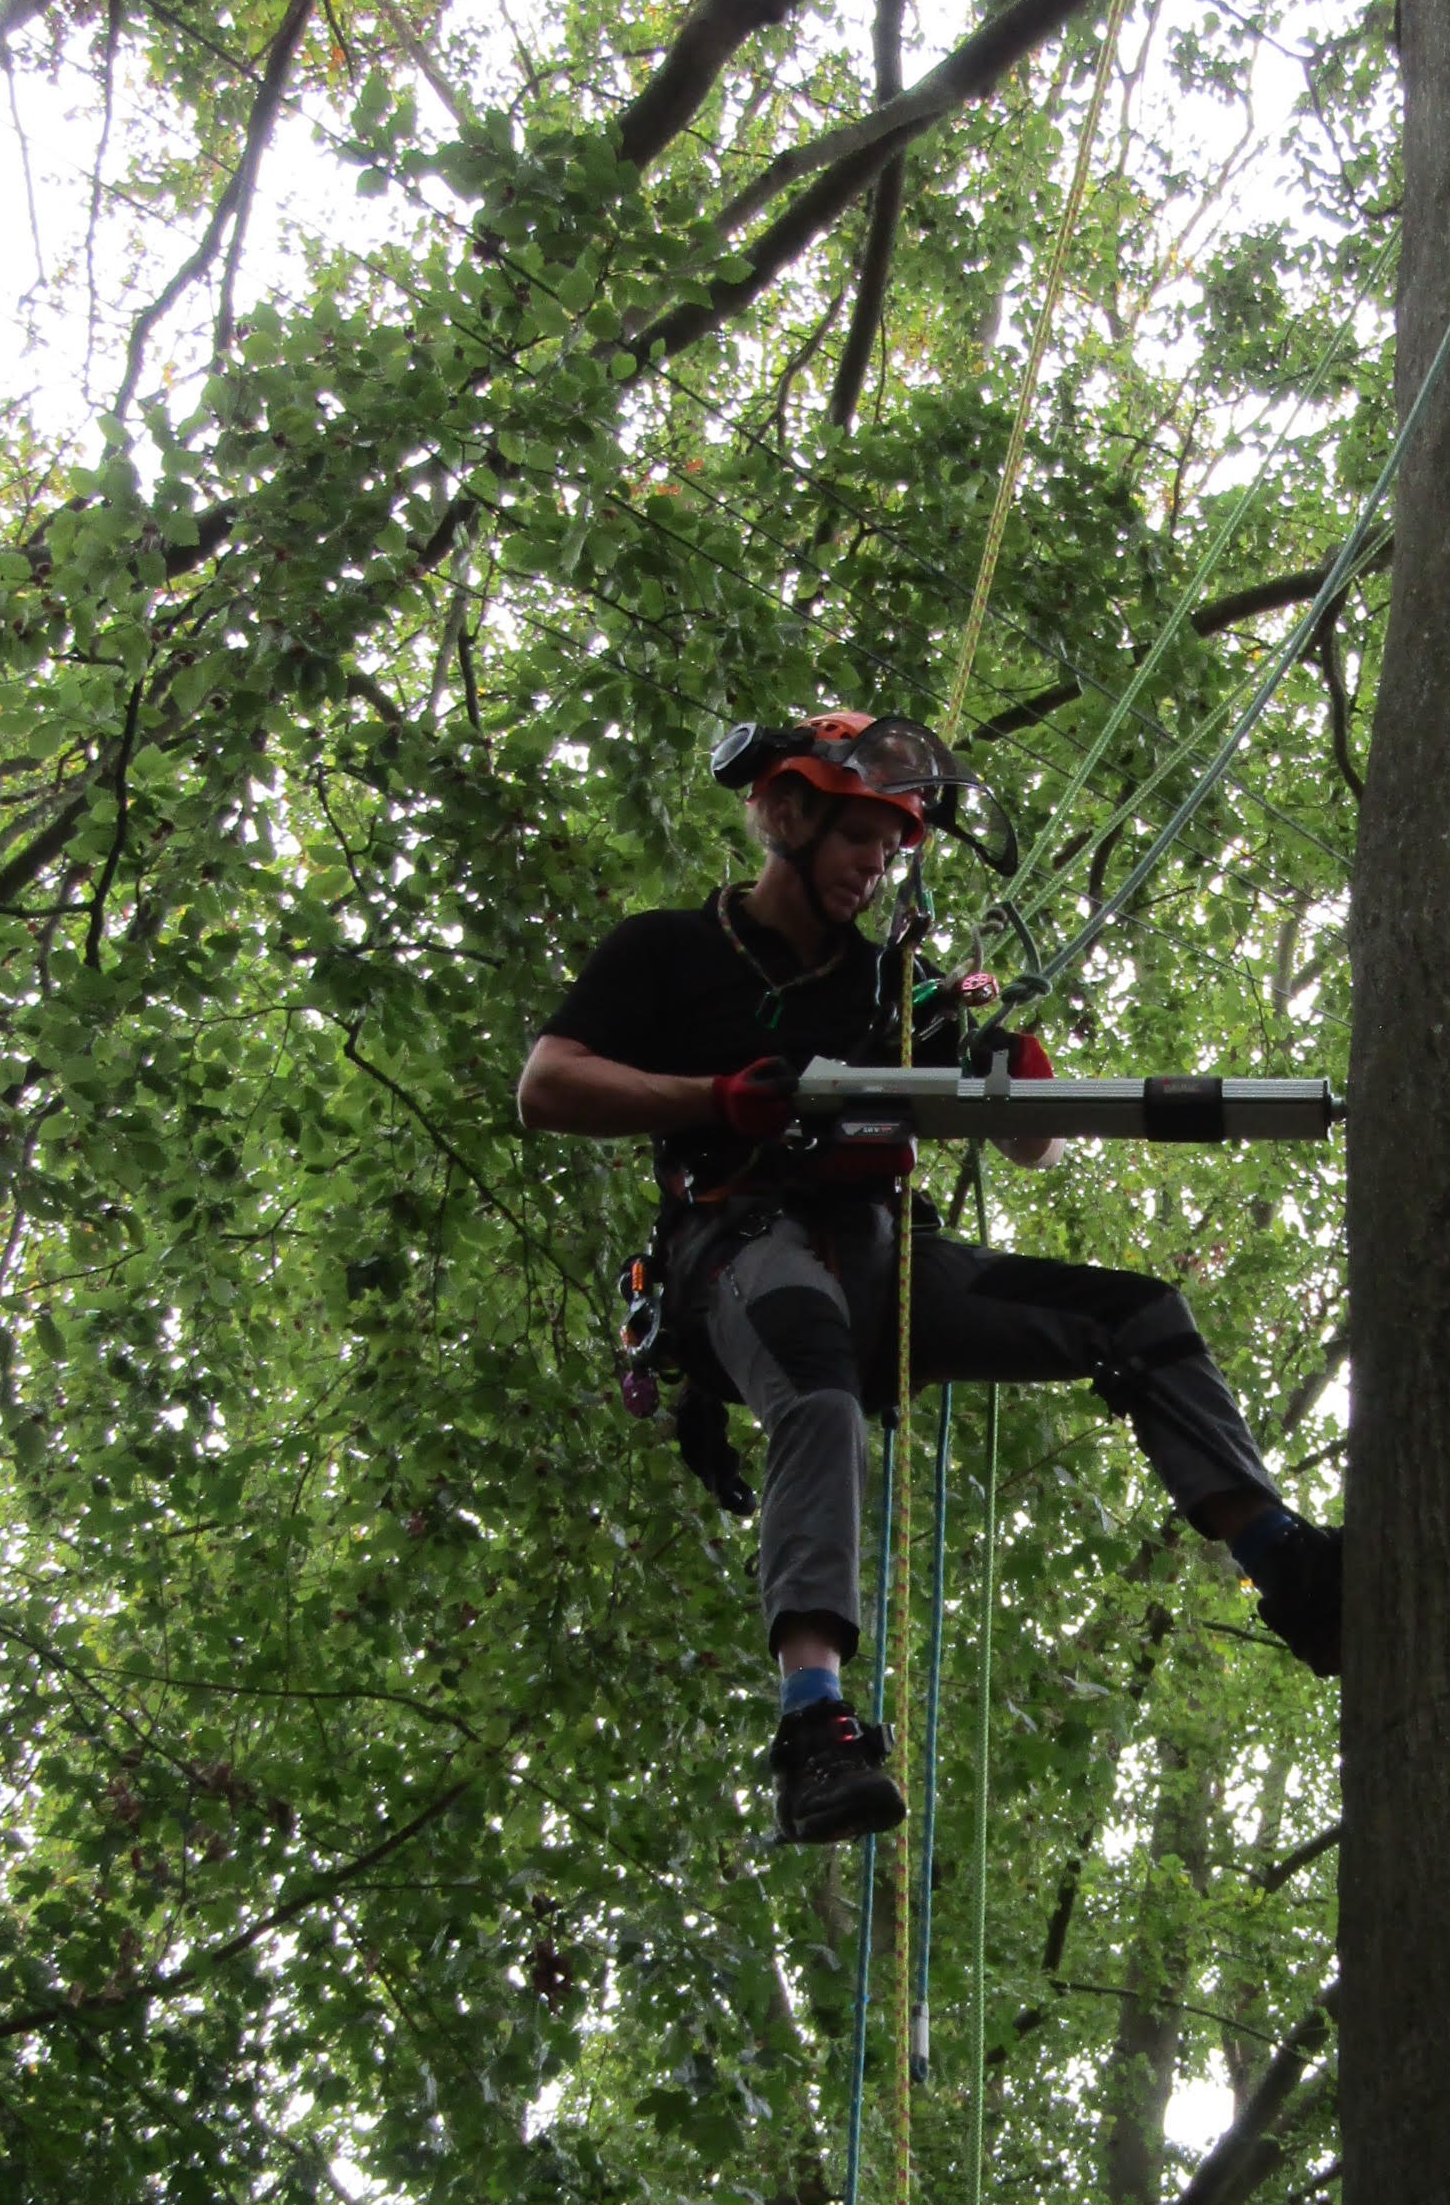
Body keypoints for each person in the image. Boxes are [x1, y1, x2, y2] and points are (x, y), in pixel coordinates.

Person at [516, 710, 1343, 1844]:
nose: (877, 865)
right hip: (743, 1247)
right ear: (790, 816)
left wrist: (1011, 1072)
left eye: (895, 846)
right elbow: (549, 1086)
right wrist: (717, 1097)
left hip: (888, 1255)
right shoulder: (669, 949)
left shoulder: (889, 991)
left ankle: (1286, 1566)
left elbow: (1031, 1144)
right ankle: (812, 1728)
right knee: (818, 1387)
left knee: (1136, 1315)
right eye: (862, 836)